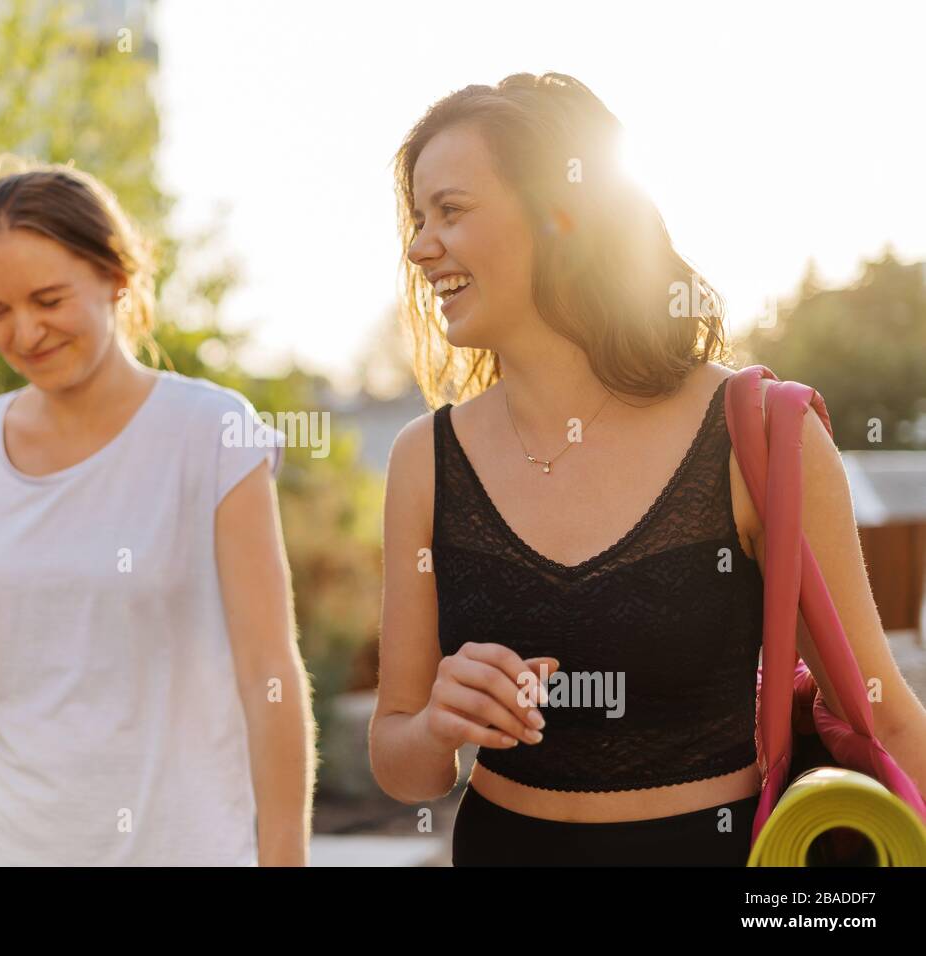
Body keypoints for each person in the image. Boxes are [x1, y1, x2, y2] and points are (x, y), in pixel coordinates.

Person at [369, 72, 926, 865]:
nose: (420, 245)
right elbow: (404, 764)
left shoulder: (763, 435)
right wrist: (436, 724)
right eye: (417, 218)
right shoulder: (423, 459)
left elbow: (882, 711)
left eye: (450, 211)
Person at [0, 157, 313, 866]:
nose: (24, 333)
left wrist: (285, 858)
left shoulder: (212, 433)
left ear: (116, 276)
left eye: (48, 299)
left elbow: (270, 669)